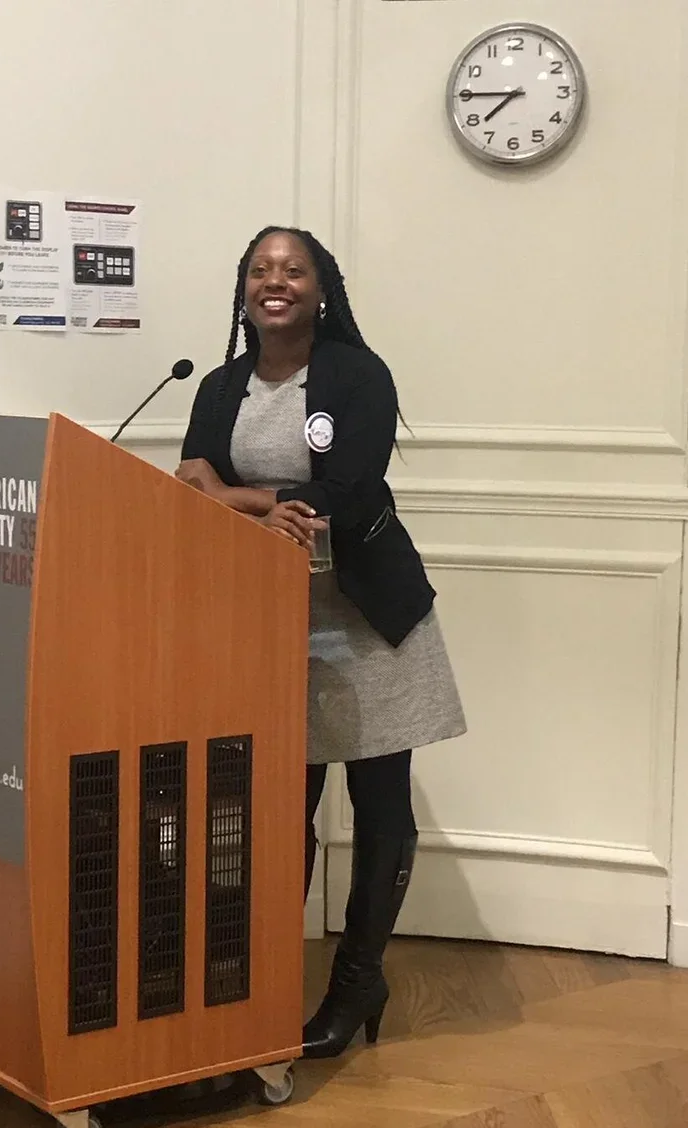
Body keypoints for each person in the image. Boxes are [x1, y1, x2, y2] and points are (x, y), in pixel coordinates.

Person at [177, 226, 466, 1059]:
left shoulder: (355, 374)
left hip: (369, 623)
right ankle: (265, 975)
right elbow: (185, 490)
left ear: (320, 289)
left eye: (293, 270)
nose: (276, 282)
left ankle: (355, 982)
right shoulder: (222, 385)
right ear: (243, 292)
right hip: (270, 632)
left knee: (380, 809)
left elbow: (349, 487)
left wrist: (231, 493)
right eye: (261, 271)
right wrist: (262, 507)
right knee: (276, 811)